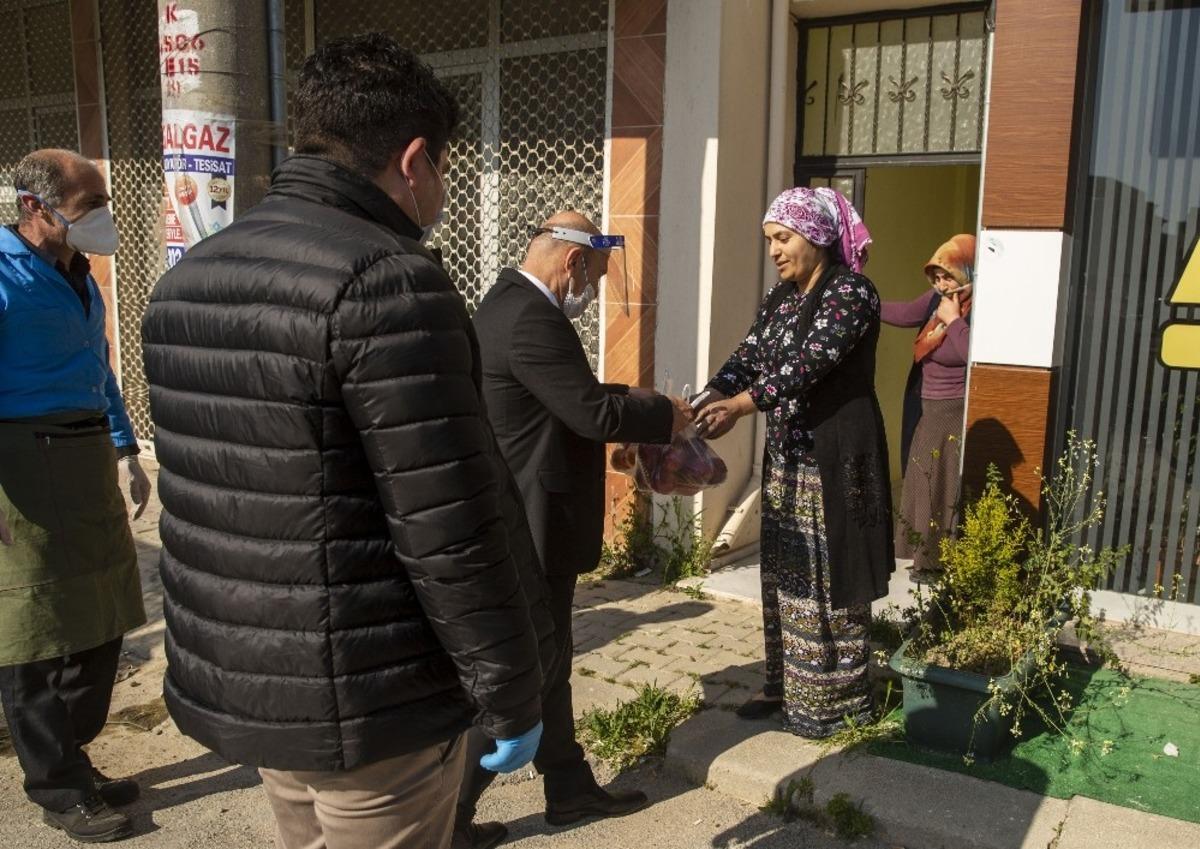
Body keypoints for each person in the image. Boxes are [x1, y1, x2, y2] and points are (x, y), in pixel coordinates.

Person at [141, 35, 554, 849]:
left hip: (258, 687)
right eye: (443, 166)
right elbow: (451, 527)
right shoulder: (388, 280)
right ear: (413, 160)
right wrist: (513, 690)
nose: (441, 187)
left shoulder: (189, 277)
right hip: (373, 703)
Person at [461, 211, 691, 847]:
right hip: (531, 520)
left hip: (531, 515)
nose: (592, 290)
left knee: (550, 658)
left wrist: (631, 403)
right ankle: (447, 815)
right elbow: (589, 411)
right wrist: (662, 414)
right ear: (572, 261)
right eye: (596, 273)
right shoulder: (532, 318)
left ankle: (567, 787)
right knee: (530, 666)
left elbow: (564, 397)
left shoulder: (505, 304)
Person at [693, 187, 893, 739]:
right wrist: (710, 395)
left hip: (834, 459)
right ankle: (782, 684)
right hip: (787, 457)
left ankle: (834, 704)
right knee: (784, 572)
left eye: (783, 239)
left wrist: (739, 406)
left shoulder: (853, 294)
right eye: (770, 242)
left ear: (818, 236)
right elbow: (751, 356)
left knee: (831, 577)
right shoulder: (781, 297)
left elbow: (807, 365)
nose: (775, 252)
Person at [0, 149, 150, 843]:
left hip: (87, 452)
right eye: (88, 206)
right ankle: (56, 784)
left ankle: (71, 748)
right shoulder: (3, 275)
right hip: (21, 464)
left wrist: (126, 447)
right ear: (37, 209)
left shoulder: (77, 274)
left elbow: (99, 368)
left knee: (101, 612)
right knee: (29, 631)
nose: (101, 220)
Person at [880, 235, 976, 579]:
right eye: (935, 277)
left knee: (943, 484)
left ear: (966, 272)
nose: (940, 284)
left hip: (953, 408)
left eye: (947, 276)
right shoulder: (938, 300)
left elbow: (972, 356)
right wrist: (864, 302)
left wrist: (952, 321)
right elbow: (907, 313)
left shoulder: (975, 307)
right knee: (920, 479)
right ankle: (920, 554)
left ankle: (936, 562)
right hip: (927, 405)